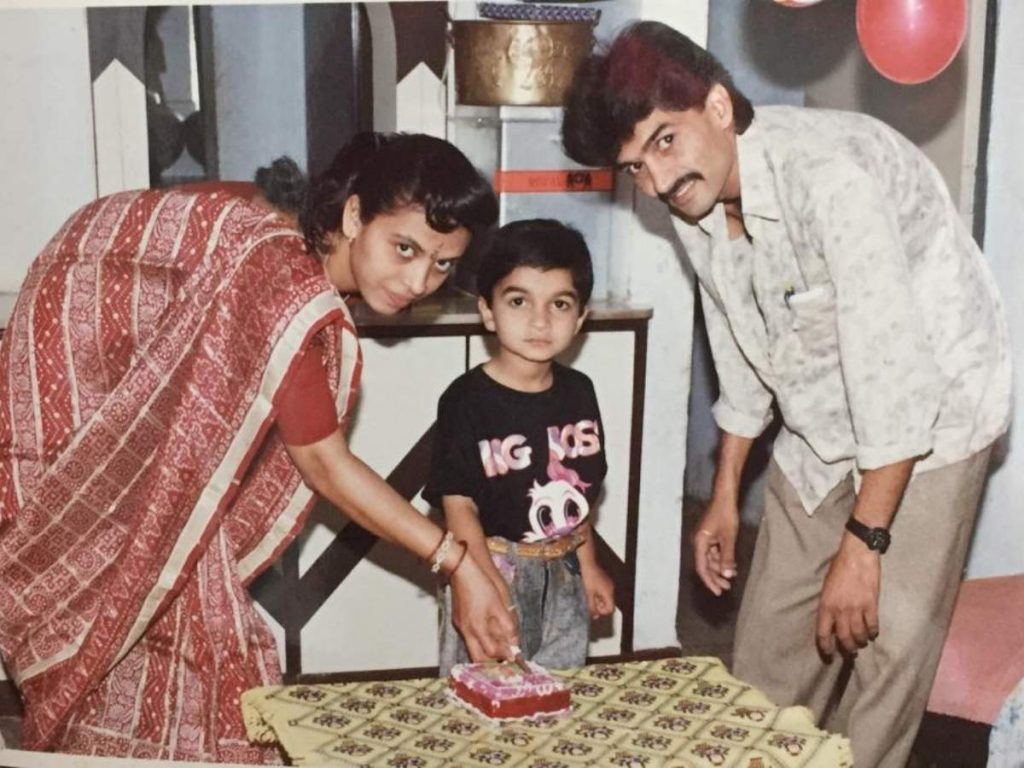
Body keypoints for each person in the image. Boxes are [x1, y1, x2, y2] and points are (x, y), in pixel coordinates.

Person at [561, 21, 1012, 768]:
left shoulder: (834, 180)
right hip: (820, 415)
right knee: (769, 647)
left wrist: (864, 547)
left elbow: (894, 385)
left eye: (664, 142)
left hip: (935, 412)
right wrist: (725, 493)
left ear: (717, 105)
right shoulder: (694, 202)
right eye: (633, 166)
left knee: (887, 643)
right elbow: (742, 348)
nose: (656, 181)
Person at [0, 132, 519, 761]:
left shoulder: (290, 251)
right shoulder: (279, 276)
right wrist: (455, 562)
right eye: (404, 248)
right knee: (157, 601)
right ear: (354, 215)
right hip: (70, 364)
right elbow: (324, 463)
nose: (417, 280)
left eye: (441, 265)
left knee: (176, 582)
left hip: (96, 341)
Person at [424, 219, 615, 676]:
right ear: (488, 311)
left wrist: (588, 566)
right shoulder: (466, 400)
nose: (539, 320)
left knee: (556, 689)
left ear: (581, 317)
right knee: (484, 689)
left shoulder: (580, 392)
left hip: (563, 571)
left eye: (560, 304)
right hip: (491, 568)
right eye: (518, 301)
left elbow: (578, 499)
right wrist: (484, 585)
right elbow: (459, 507)